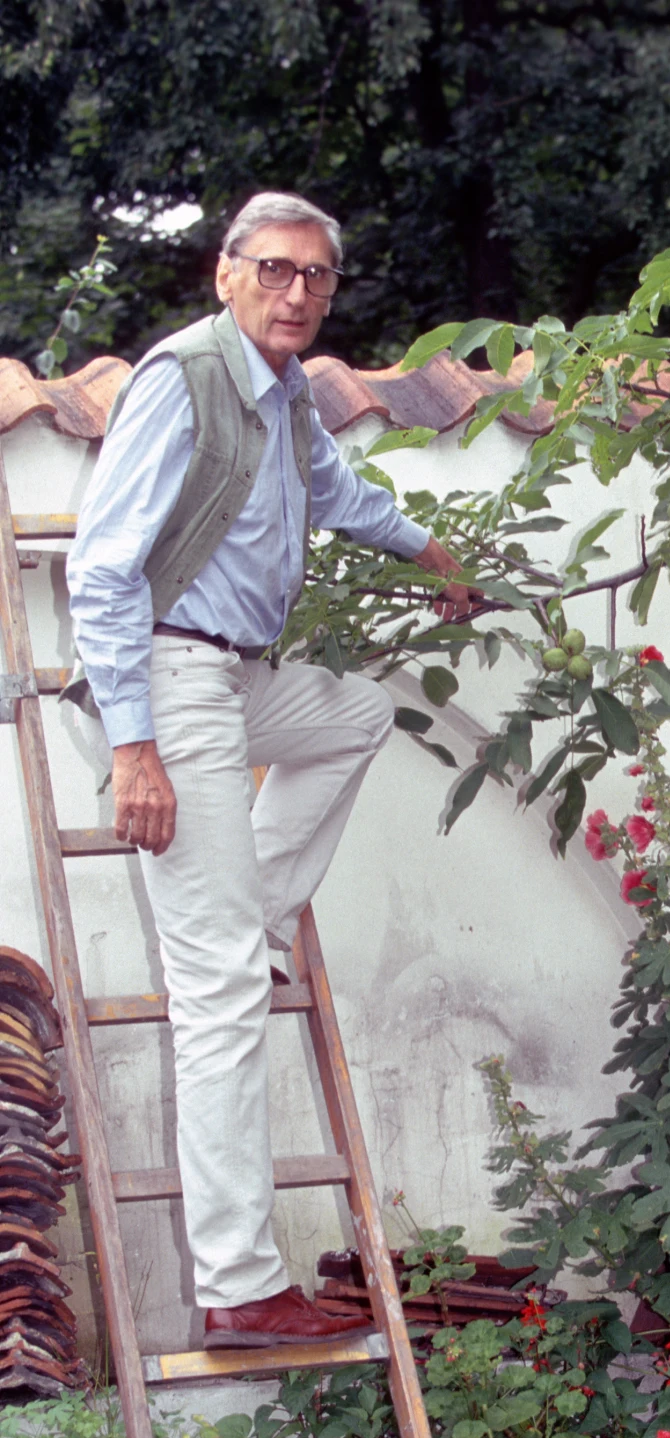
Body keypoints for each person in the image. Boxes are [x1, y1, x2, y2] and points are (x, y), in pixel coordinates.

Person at [67, 190, 479, 1351]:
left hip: (235, 672)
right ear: (227, 274)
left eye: (316, 277)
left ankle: (249, 916)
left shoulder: (287, 389)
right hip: (166, 679)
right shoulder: (184, 380)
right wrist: (133, 746)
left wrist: (426, 546)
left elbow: (337, 493)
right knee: (219, 1003)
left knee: (354, 708)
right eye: (275, 270)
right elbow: (99, 570)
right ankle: (239, 1281)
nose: (296, 292)